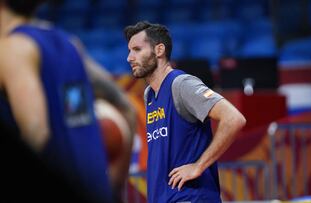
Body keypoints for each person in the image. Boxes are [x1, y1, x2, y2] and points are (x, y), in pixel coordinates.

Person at [0, 0, 135, 202]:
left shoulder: (12, 48)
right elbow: (126, 108)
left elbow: (36, 131)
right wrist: (115, 188)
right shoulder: (69, 44)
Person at [123, 21, 246, 203]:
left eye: (137, 49)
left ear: (159, 50)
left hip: (191, 197)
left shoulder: (181, 84)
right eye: (129, 51)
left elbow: (234, 118)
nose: (129, 58)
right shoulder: (149, 94)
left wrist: (198, 166)